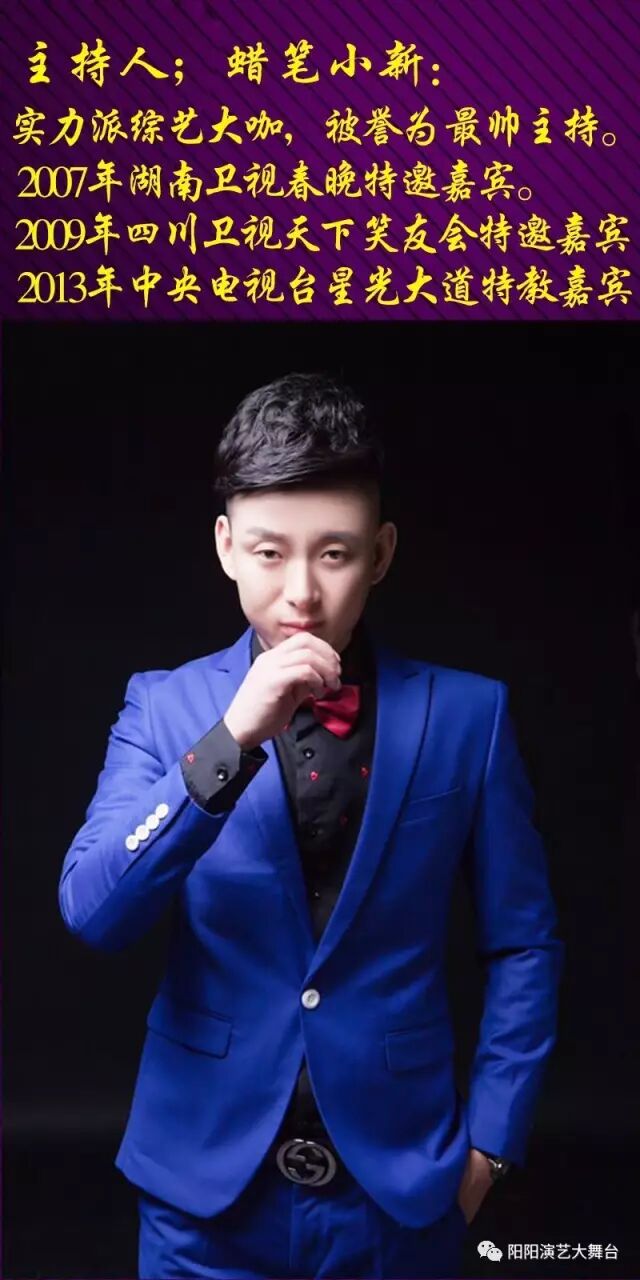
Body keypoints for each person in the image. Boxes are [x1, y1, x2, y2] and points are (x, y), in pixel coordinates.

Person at [58, 372, 565, 1279]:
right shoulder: (163, 708)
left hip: (401, 1195)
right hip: (200, 1195)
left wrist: (491, 1147)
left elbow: (523, 941)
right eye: (269, 552)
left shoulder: (470, 717)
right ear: (226, 547)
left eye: (334, 554)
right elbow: (94, 912)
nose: (301, 592)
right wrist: (230, 740)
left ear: (381, 552)